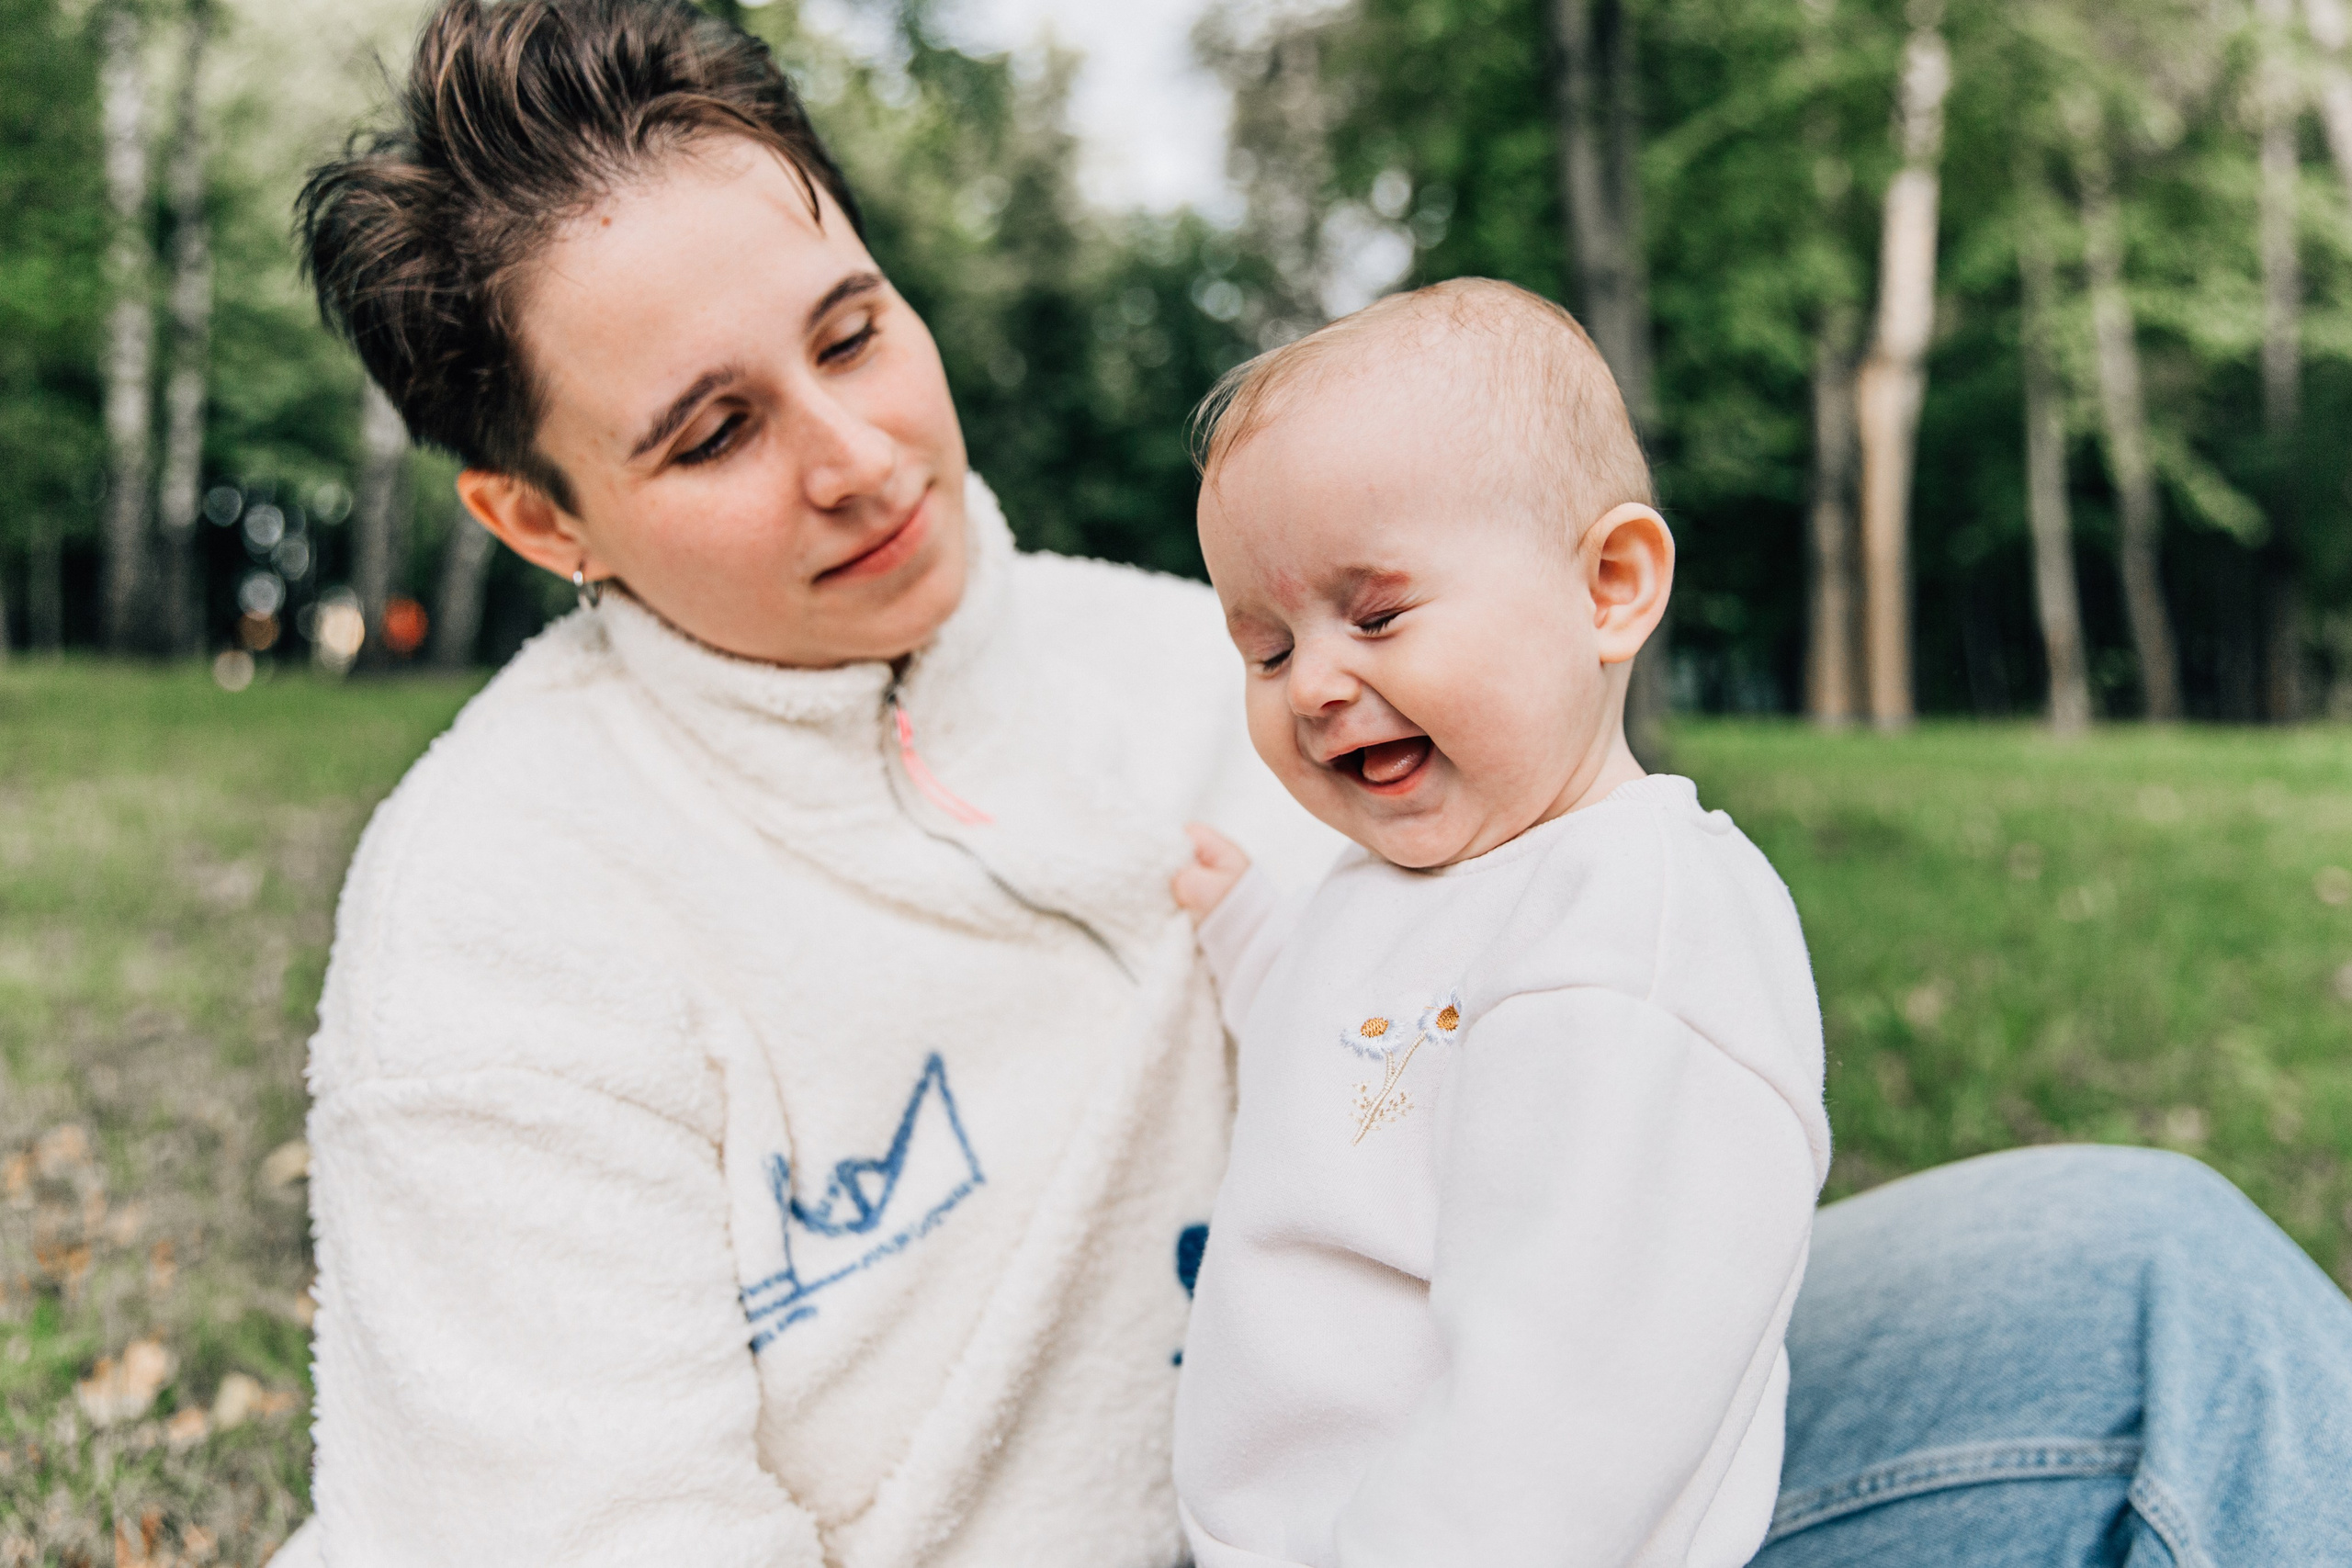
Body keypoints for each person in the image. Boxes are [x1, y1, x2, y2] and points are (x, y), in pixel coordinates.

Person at [275, 0, 2352, 1562]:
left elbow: (1543, 1110)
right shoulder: (498, 911)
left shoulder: (1205, 669)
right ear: (539, 518)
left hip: (1436, 1488)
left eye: (852, 326)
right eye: (713, 430)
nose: (858, 452)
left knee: (2145, 1277)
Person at [1167, 280, 1825, 1567]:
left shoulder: (1632, 944)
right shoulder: (1415, 879)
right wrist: (1245, 927)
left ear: (1610, 589)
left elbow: (1568, 1410)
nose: (1313, 684)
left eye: (1374, 614)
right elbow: (1363, 1050)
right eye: (1264, 647)